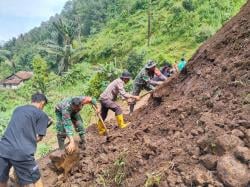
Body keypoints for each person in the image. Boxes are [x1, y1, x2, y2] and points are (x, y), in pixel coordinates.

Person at [0, 93, 49, 187]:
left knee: (2, 179)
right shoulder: (42, 115)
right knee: (35, 179)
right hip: (22, 153)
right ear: (42, 102)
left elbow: (20, 127)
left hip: (3, 148)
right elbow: (38, 138)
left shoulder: (18, 109)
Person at [98, 71, 140, 135]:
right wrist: (134, 97)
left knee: (103, 114)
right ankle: (122, 125)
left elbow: (121, 94)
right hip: (106, 99)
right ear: (125, 78)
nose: (128, 81)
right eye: (128, 79)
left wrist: (127, 99)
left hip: (103, 98)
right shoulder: (119, 82)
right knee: (118, 109)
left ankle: (101, 131)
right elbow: (123, 93)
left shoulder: (118, 81)